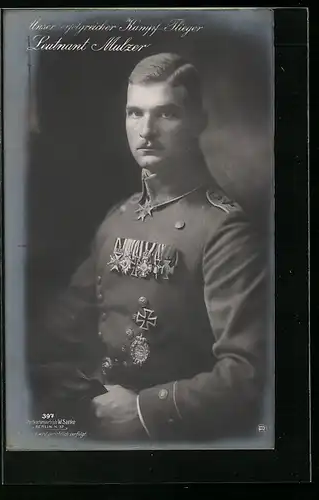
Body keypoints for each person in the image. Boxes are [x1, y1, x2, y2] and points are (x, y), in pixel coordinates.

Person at [31, 52, 268, 443]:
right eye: (134, 113)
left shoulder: (225, 229)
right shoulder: (118, 217)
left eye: (167, 114)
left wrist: (144, 409)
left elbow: (246, 373)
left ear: (198, 122)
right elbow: (65, 323)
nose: (146, 131)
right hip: (96, 415)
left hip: (173, 441)